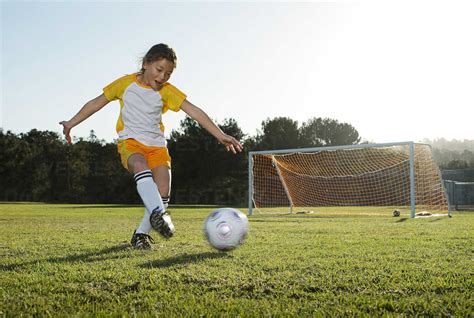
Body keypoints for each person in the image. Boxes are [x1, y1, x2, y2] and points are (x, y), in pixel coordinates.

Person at [60, 43, 242, 249]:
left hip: (157, 147)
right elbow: (95, 103)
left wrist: (220, 134)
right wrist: (71, 123)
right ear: (146, 63)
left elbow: (195, 112)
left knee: (163, 190)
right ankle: (159, 215)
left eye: (168, 73)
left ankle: (141, 235)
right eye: (159, 69)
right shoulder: (125, 84)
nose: (163, 77)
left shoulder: (167, 91)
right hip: (131, 143)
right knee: (139, 166)